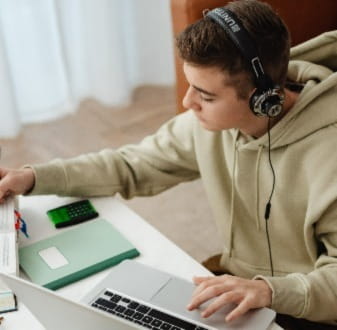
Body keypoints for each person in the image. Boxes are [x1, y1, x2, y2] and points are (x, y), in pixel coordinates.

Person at [0, 0, 337, 328]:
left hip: (310, 312)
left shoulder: (329, 157)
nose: (188, 102)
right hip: (235, 291)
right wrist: (32, 178)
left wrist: (268, 290)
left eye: (206, 96)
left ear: (264, 100)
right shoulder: (208, 126)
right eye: (191, 85)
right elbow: (132, 164)